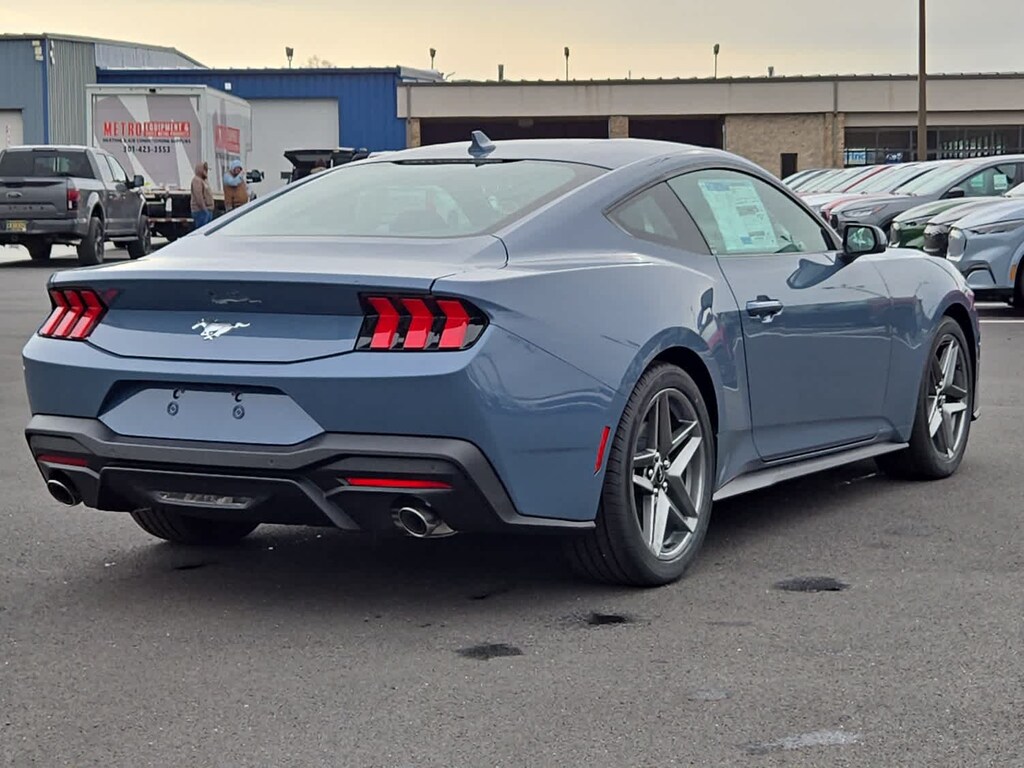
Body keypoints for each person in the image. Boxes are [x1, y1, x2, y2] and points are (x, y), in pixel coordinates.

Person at [190, 161, 214, 229]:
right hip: (200, 211)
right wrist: (204, 209)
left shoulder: (204, 180)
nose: (206, 171)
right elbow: (198, 197)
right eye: (204, 169)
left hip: (207, 210)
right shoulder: (197, 180)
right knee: (202, 230)